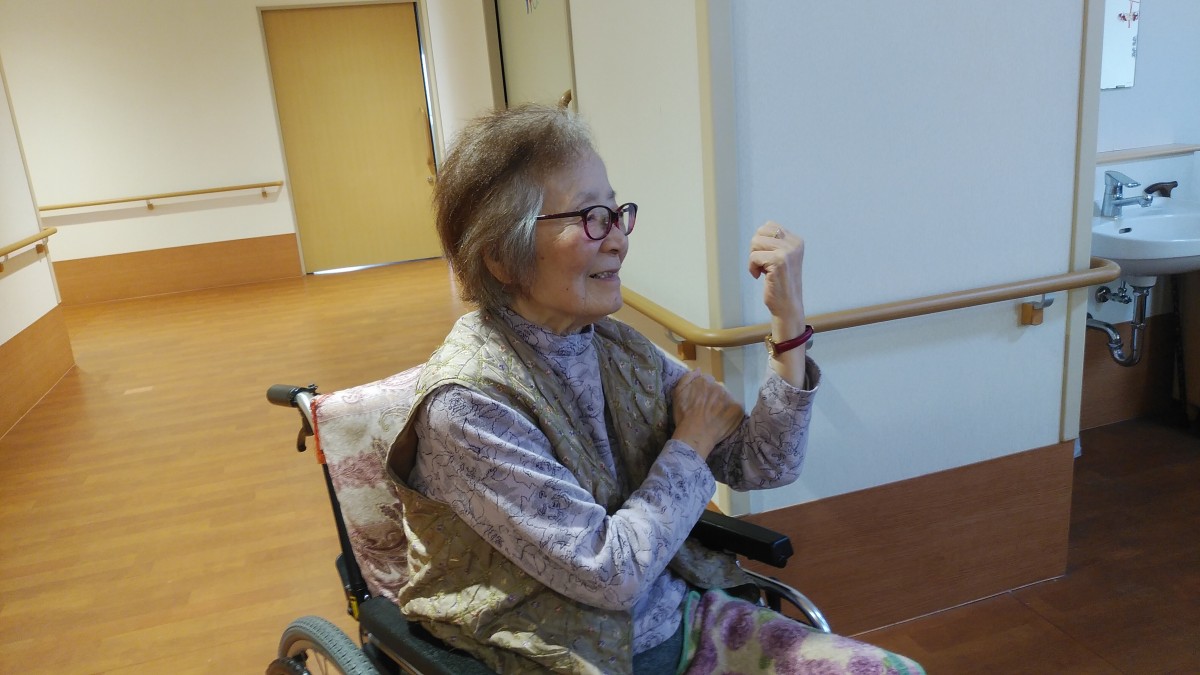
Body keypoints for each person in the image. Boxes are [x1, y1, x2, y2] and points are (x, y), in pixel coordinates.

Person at [384, 104, 921, 674]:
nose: (618, 240)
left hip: (675, 619)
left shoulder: (617, 347)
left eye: (616, 213)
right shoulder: (468, 405)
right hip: (553, 652)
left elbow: (765, 463)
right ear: (501, 256)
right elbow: (609, 574)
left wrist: (788, 323)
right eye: (591, 218)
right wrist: (692, 441)